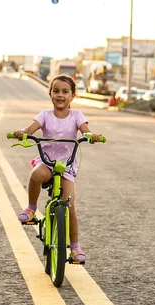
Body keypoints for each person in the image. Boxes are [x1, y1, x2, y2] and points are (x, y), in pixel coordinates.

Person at [12, 74, 102, 263]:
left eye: (65, 92)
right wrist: (23, 133)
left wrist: (91, 136)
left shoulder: (77, 116)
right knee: (36, 175)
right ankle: (31, 207)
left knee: (69, 205)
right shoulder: (44, 115)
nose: (60, 95)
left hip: (66, 166)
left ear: (72, 96)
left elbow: (85, 130)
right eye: (56, 91)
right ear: (50, 93)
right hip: (47, 162)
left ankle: (75, 247)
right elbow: (31, 129)